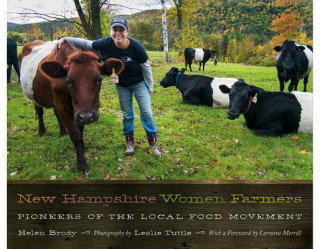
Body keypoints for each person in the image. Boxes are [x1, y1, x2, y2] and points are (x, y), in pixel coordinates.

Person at [55, 16, 161, 157]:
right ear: (111, 31)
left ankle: (152, 143)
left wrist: (150, 86)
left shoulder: (136, 47)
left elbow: (146, 67)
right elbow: (87, 43)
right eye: (114, 29)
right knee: (127, 114)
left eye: (121, 30)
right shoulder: (106, 43)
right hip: (122, 85)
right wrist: (65, 38)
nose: (118, 33)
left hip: (139, 84)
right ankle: (130, 142)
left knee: (146, 112)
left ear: (127, 32)